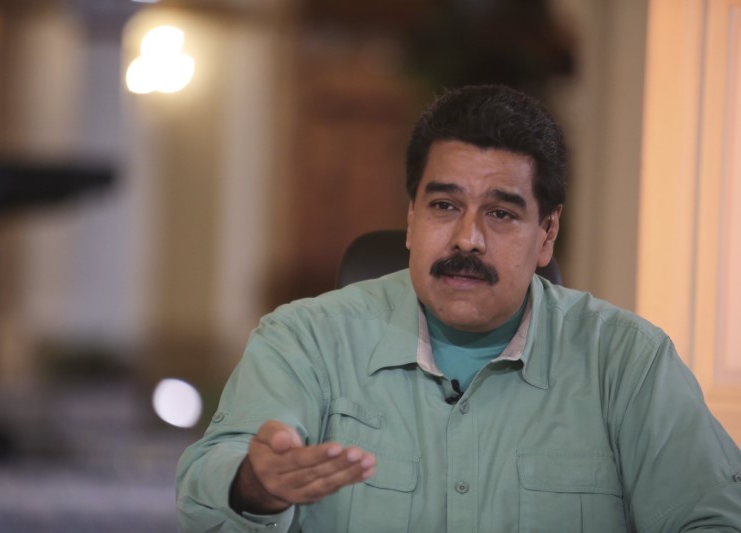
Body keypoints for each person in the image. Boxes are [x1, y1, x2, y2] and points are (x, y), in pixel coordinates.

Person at [176, 85, 741, 532]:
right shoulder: (304, 339)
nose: (467, 239)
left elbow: (713, 518)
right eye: (445, 205)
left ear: (546, 234)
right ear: (411, 220)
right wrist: (255, 486)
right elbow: (204, 496)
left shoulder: (627, 363)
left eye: (501, 213)